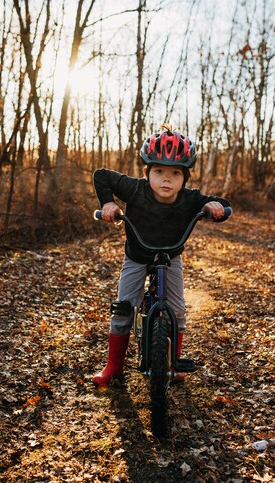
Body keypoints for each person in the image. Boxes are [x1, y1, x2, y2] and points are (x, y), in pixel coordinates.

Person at [92, 124, 230, 387]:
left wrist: (215, 206)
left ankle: (174, 363)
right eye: (159, 171)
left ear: (185, 178)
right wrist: (108, 203)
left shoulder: (189, 199)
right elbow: (102, 176)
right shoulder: (135, 189)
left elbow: (223, 204)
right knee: (123, 308)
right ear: (146, 172)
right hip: (137, 255)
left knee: (177, 310)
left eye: (175, 173)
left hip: (170, 257)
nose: (166, 179)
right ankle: (114, 366)